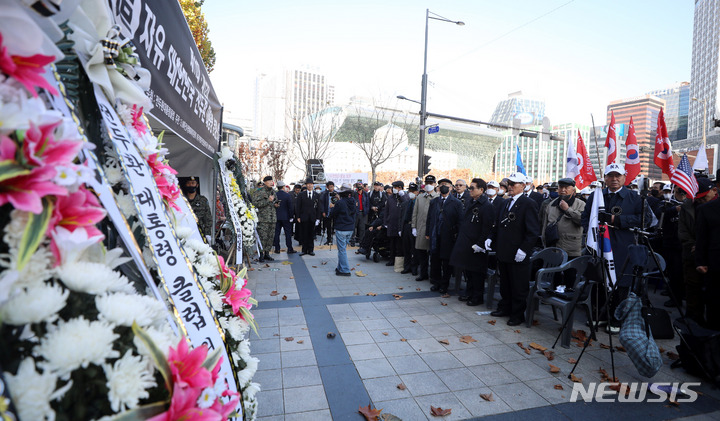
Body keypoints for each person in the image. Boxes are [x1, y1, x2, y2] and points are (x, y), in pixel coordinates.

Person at [581, 163, 651, 333]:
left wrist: (616, 220)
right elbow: (585, 217)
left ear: (624, 177)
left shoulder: (634, 197)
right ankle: (600, 316)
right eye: (610, 175)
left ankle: (616, 318)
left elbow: (646, 219)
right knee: (599, 280)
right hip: (600, 245)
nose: (614, 179)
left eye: (618, 175)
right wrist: (591, 233)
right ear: (605, 178)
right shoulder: (596, 196)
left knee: (620, 283)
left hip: (623, 246)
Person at [487, 172, 540, 326]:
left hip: (518, 252)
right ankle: (505, 307)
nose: (510, 187)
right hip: (504, 249)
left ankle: (517, 314)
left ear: (523, 186)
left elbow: (532, 231)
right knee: (505, 283)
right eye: (509, 183)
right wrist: (491, 237)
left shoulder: (528, 203)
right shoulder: (505, 202)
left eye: (514, 184)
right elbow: (497, 224)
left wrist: (524, 249)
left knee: (518, 285)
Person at [450, 178, 495, 305]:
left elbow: (487, 228)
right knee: (469, 271)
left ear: (481, 190)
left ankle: (477, 296)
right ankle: (469, 292)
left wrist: (480, 244)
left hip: (477, 245)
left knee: (477, 273)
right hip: (467, 242)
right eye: (469, 188)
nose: (470, 190)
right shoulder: (471, 202)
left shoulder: (487, 206)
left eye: (472, 188)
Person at [679, 177, 716, 325]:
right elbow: (682, 231)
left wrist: (704, 247)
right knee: (692, 287)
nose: (700, 201)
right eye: (697, 198)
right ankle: (693, 318)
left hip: (713, 255)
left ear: (714, 191)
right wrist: (694, 246)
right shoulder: (687, 206)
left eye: (703, 197)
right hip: (691, 255)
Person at [427, 179, 463, 294]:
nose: (443, 187)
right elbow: (429, 218)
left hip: (448, 237)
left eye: (446, 185)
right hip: (435, 236)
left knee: (446, 262)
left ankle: (444, 284)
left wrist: (457, 235)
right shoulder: (434, 202)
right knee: (435, 261)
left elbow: (460, 221)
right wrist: (428, 233)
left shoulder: (456, 203)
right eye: (441, 185)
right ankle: (436, 282)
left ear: (451, 187)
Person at [695, 171, 720, 329]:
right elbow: (701, 238)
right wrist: (701, 261)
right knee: (715, 306)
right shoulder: (707, 209)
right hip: (715, 266)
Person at [540, 178, 585, 257]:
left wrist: (568, 210)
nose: (563, 190)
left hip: (572, 251)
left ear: (573, 190)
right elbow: (544, 226)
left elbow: (582, 220)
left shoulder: (580, 204)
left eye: (566, 187)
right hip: (553, 250)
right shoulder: (551, 205)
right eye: (561, 187)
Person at [658, 183, 685, 307]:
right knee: (673, 273)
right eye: (679, 192)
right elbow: (660, 214)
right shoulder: (668, 204)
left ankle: (682, 295)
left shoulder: (691, 204)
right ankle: (674, 297)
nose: (681, 195)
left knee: (683, 273)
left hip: (685, 244)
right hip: (671, 244)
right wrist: (675, 209)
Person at [412, 175, 438, 281]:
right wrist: (414, 227)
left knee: (433, 256)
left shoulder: (438, 198)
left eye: (431, 183)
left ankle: (433, 275)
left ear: (435, 184)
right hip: (421, 229)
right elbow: (415, 213)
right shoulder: (420, 197)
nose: (428, 185)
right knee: (422, 254)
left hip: (432, 231)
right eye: (427, 183)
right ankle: (423, 274)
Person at [330, 183, 357, 277]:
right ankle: (340, 267)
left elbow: (332, 214)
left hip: (341, 228)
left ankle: (345, 270)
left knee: (342, 250)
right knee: (342, 249)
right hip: (350, 228)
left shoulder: (340, 203)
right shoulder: (353, 201)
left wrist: (332, 207)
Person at [251, 175, 278, 262]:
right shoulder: (259, 192)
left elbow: (274, 202)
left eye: (272, 181)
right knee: (262, 237)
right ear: (265, 183)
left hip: (272, 218)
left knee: (270, 237)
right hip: (263, 219)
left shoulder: (273, 192)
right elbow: (255, 204)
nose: (271, 182)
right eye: (269, 181)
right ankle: (261, 255)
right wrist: (268, 201)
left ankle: (267, 253)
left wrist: (276, 204)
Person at [382, 180, 408, 266]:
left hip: (400, 224)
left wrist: (402, 196)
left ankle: (399, 261)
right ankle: (391, 259)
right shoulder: (390, 197)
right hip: (392, 223)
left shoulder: (405, 196)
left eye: (396, 187)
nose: (394, 189)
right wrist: (385, 221)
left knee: (400, 244)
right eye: (393, 187)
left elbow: (406, 205)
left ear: (400, 188)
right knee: (392, 243)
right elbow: (386, 211)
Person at [295, 177, 321, 256]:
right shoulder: (301, 195)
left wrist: (318, 218)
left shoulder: (317, 195)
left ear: (313, 185)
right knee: (304, 234)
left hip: (313, 218)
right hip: (304, 217)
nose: (309, 186)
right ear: (306, 185)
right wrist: (298, 217)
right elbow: (297, 206)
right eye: (308, 184)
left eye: (311, 184)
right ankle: (304, 250)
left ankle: (310, 250)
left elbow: (319, 207)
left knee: (311, 234)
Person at [401, 183, 419, 275]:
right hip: (406, 226)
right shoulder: (405, 203)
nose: (411, 193)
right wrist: (401, 229)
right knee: (406, 248)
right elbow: (402, 217)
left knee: (414, 249)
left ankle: (414, 267)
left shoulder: (418, 202)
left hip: (414, 227)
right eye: (409, 191)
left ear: (417, 192)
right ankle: (406, 266)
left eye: (413, 191)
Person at [273, 181, 296, 254]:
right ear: (283, 187)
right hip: (286, 217)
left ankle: (277, 249)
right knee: (288, 233)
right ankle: (289, 248)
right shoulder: (287, 195)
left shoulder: (274, 195)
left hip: (277, 217)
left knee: (277, 233)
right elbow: (290, 207)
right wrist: (291, 216)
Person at [320, 181, 338, 245]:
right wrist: (323, 211)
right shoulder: (324, 194)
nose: (331, 188)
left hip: (335, 212)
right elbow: (321, 203)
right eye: (330, 187)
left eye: (332, 187)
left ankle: (335, 239)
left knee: (334, 226)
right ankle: (329, 239)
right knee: (328, 227)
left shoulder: (336, 193)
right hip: (327, 212)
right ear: (327, 187)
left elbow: (339, 202)